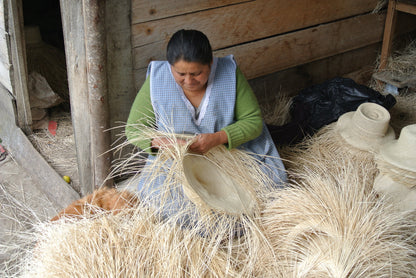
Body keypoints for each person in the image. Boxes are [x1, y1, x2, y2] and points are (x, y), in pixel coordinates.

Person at [126, 29, 287, 224]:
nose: (189, 81)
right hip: (177, 161)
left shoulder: (229, 72)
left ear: (210, 63)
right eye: (180, 74)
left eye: (197, 73)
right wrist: (161, 143)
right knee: (166, 206)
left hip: (230, 154)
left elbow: (252, 121)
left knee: (266, 194)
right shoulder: (157, 79)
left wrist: (218, 138)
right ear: (170, 66)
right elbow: (134, 129)